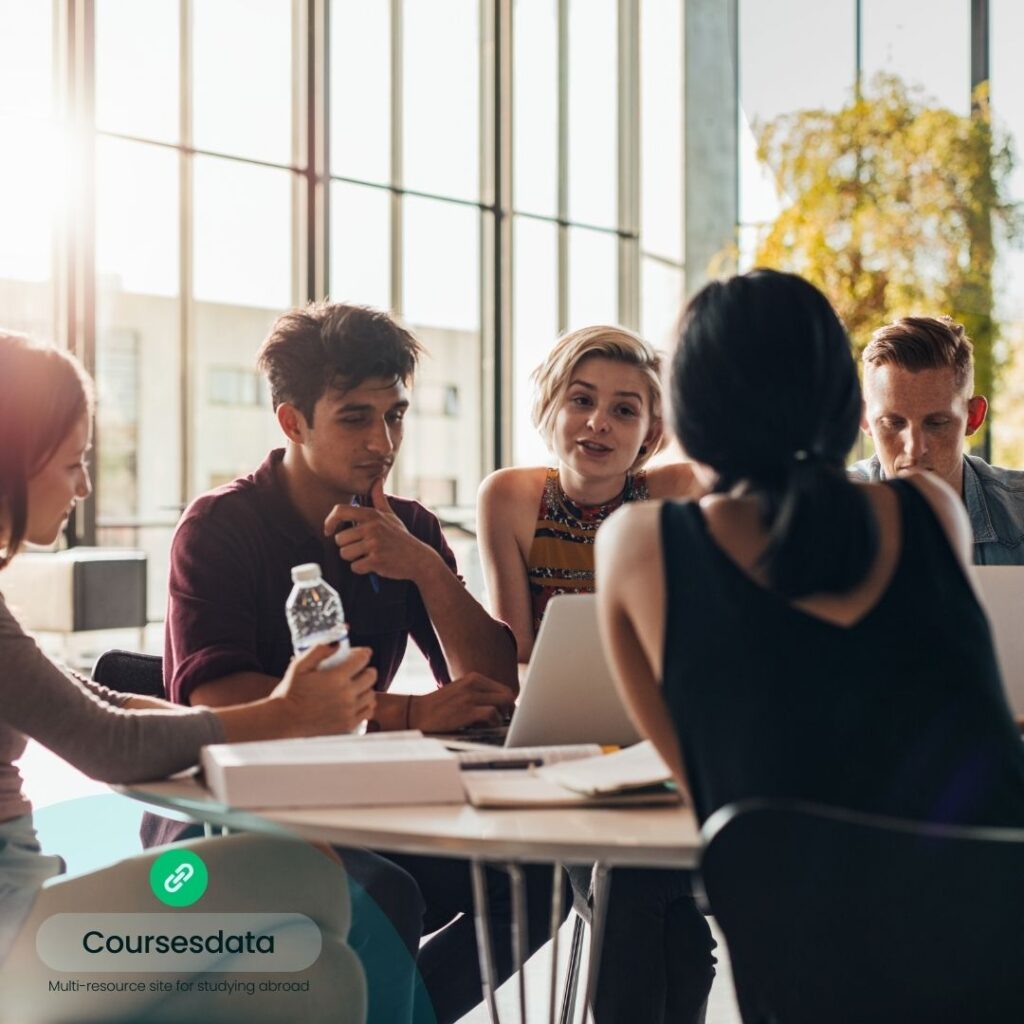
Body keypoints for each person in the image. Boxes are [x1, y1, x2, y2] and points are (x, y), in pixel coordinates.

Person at [146, 301, 566, 1024]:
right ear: (292, 421)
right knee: (384, 895)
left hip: (358, 799)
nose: (383, 441)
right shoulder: (220, 527)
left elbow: (495, 684)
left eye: (396, 416)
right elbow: (220, 700)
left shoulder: (407, 527)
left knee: (539, 877)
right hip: (228, 808)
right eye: (355, 418)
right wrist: (405, 714)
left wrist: (426, 569)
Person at [0, 331, 372, 1022]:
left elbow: (92, 699)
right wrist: (286, 712)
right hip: (14, 941)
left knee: (323, 980)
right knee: (307, 875)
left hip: (21, 923)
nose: (84, 486)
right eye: (74, 462)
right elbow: (106, 744)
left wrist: (240, 719)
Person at [596, 269, 1024, 836]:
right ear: (852, 412)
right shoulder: (933, 511)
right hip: (984, 908)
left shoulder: (634, 545)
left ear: (682, 411)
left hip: (787, 915)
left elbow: (715, 796)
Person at [478, 325, 713, 1024]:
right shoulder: (511, 498)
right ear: (549, 406)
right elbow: (516, 652)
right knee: (655, 905)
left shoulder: (670, 490)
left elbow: (733, 471)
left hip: (658, 747)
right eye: (581, 400)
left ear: (650, 430)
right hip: (560, 750)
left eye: (625, 409)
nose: (598, 423)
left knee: (650, 899)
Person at [851, 315, 1024, 564]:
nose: (915, 448)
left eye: (936, 424)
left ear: (973, 417)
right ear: (865, 419)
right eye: (893, 423)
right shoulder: (825, 515)